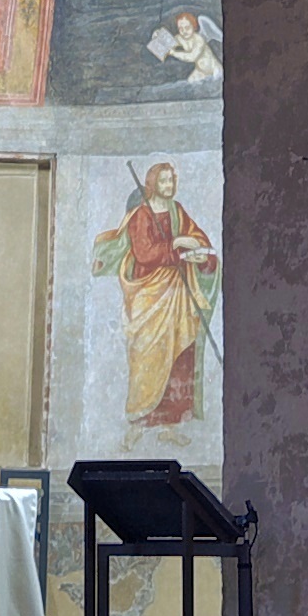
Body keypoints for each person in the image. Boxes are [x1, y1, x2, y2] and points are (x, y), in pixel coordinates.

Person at [101, 164, 219, 425]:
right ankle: (140, 418)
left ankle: (173, 422)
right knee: (148, 353)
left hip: (178, 293)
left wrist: (201, 256)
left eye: (171, 181)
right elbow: (144, 253)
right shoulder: (140, 216)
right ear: (153, 184)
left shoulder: (177, 212)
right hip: (149, 293)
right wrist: (176, 243)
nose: (169, 186)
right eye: (164, 182)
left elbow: (198, 238)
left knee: (181, 351)